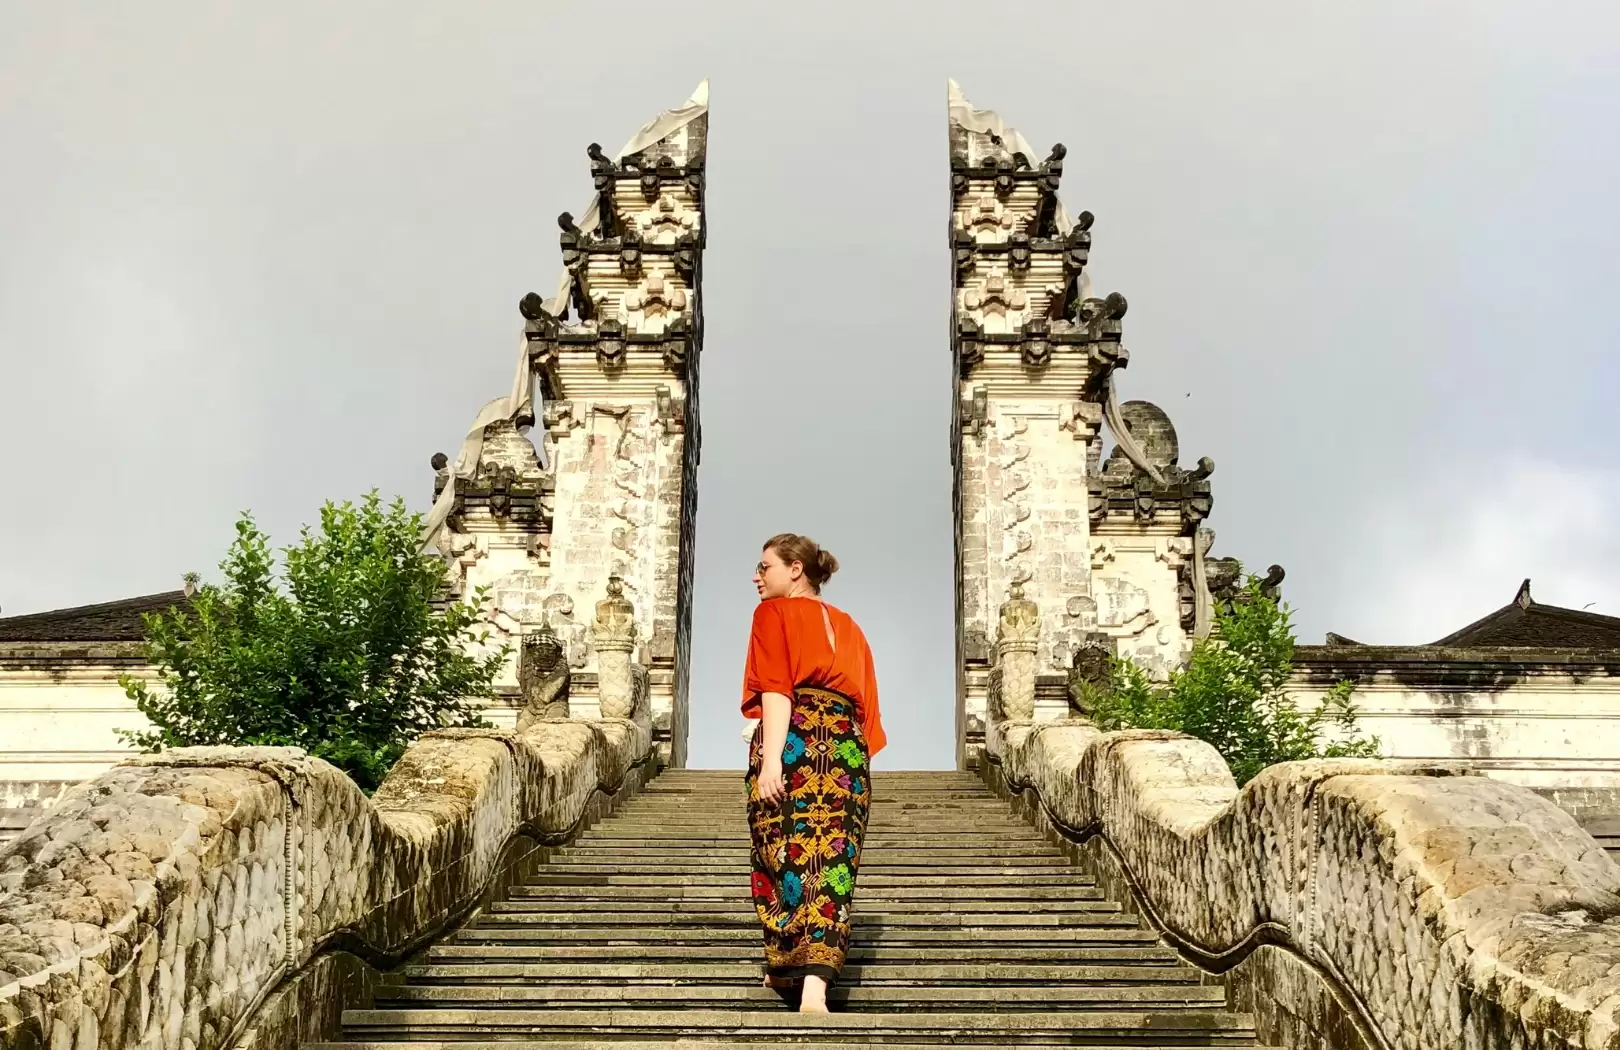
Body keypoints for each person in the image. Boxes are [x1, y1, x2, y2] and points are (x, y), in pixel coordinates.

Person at [742, 532, 886, 1014]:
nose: (757, 577)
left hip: (795, 741)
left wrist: (771, 760)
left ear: (795, 569)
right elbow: (868, 714)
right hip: (846, 748)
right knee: (833, 862)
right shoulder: (852, 627)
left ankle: (788, 966)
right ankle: (812, 986)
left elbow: (777, 690)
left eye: (765, 567)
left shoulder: (772, 614)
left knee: (782, 852)